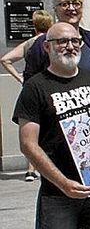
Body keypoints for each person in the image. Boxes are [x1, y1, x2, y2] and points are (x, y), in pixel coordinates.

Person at [12, 22, 90, 229]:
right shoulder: (35, 87)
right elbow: (28, 144)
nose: (70, 46)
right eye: (62, 41)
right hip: (59, 193)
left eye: (75, 41)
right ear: (47, 47)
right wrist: (63, 183)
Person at [1, 9, 53, 181]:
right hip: (49, 88)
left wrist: (20, 77)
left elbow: (5, 59)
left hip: (30, 88)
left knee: (31, 131)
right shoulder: (51, 42)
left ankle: (31, 169)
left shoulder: (29, 43)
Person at [24, 0, 90, 83]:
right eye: (65, 4)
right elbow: (30, 85)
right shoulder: (42, 44)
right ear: (55, 9)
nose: (71, 8)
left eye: (76, 3)